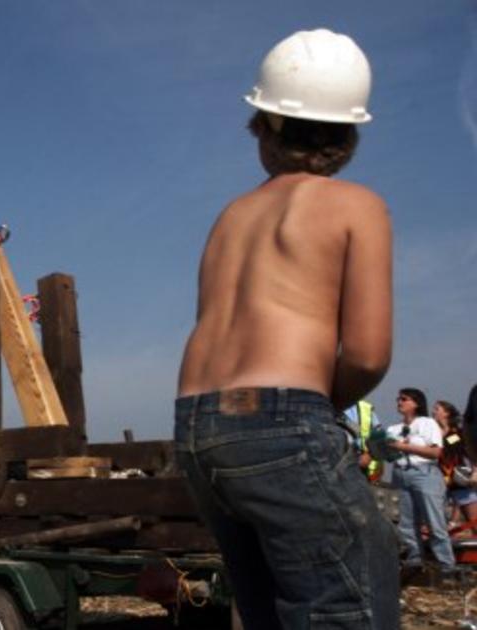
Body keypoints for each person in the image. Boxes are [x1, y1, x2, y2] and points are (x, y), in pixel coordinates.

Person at [173, 28, 399, 630]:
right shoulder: (358, 205)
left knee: (268, 604)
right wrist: (317, 408)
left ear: (266, 125)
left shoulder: (232, 216)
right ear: (350, 133)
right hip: (282, 421)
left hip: (198, 427)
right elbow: (370, 353)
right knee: (349, 602)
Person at [387, 388, 457, 572]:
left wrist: (402, 446)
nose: (399, 402)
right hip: (400, 473)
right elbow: (390, 455)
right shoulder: (392, 429)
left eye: (404, 399)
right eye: (398, 399)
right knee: (407, 523)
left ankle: (446, 565)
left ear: (416, 403)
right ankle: (414, 561)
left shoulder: (427, 423)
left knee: (435, 522)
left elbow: (435, 452)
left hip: (424, 473)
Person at [433, 399, 477, 526]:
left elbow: (469, 452)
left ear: (446, 413)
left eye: (437, 409)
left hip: (458, 480)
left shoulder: (457, 433)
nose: (433, 412)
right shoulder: (432, 433)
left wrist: (475, 469)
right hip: (437, 481)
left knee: (473, 521)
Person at [343, 399, 385, 482]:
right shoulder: (323, 404)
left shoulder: (365, 408)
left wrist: (369, 455)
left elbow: (380, 438)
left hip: (361, 465)